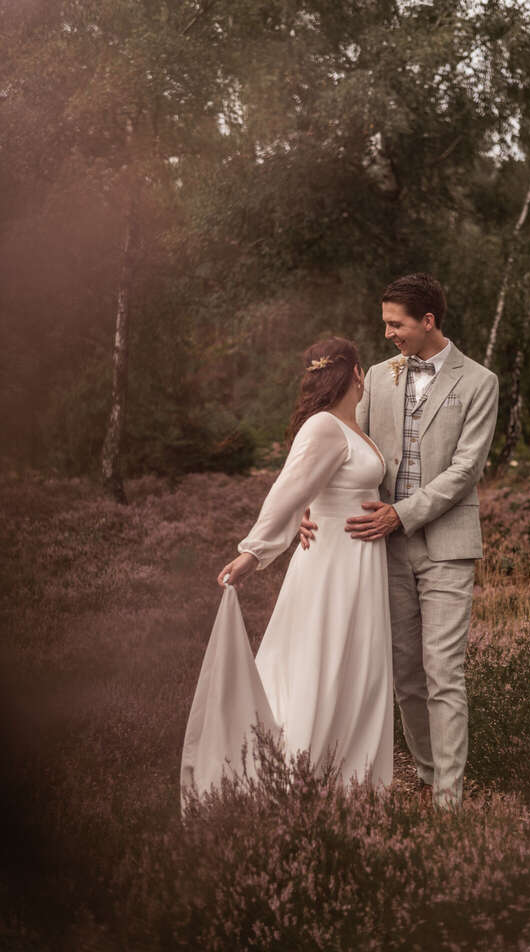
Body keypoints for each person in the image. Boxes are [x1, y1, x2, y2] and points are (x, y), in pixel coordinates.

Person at [300, 274, 499, 809]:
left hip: (447, 546)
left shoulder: (480, 383)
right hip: (379, 548)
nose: (387, 333)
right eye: (385, 322)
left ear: (427, 321)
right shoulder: (381, 380)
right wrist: (307, 504)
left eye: (396, 323)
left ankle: (450, 800)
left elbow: (465, 471)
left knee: (443, 670)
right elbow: (344, 443)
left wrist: (400, 515)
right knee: (406, 672)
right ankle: (430, 773)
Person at [180, 338, 393, 808]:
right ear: (357, 373)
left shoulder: (353, 428)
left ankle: (352, 786)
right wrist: (252, 553)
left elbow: (319, 485)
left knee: (359, 670)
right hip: (331, 567)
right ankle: (298, 777)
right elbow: (286, 492)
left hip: (362, 567)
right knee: (322, 666)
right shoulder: (322, 426)